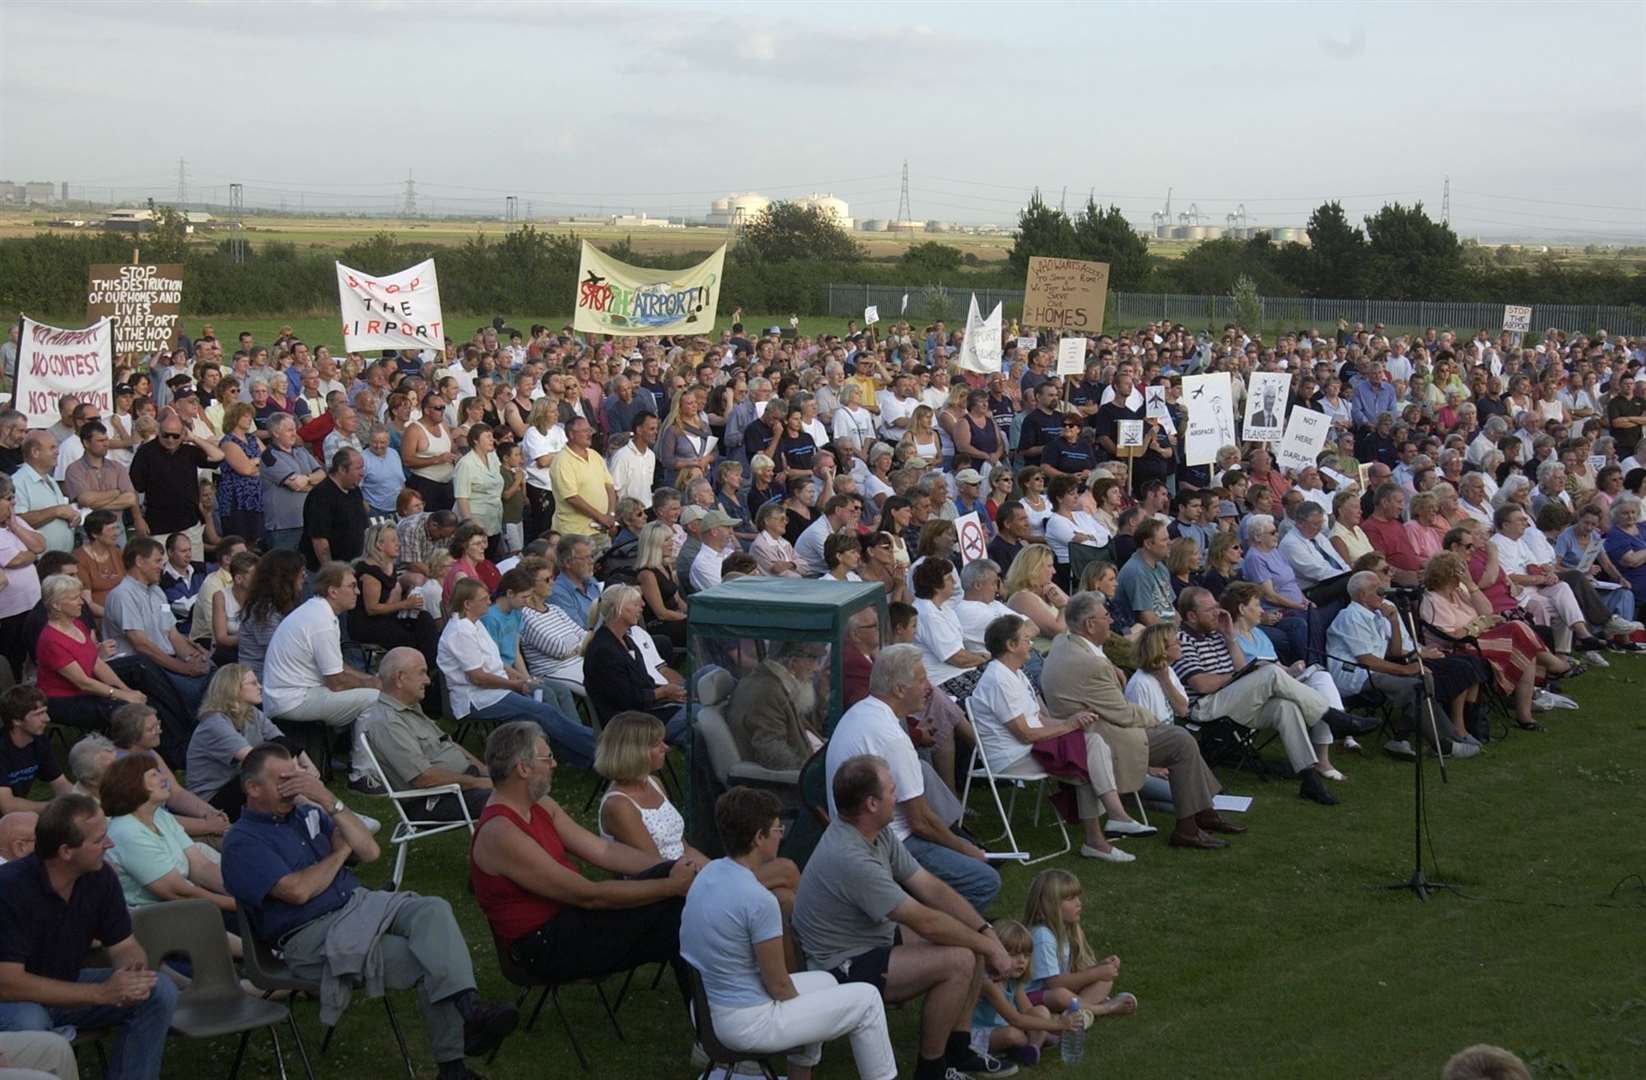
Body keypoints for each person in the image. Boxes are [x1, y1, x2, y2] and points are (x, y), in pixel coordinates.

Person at [222, 744, 518, 1080]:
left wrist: (327, 800)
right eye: (283, 780)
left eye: (297, 777)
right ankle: (453, 1066)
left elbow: (370, 850)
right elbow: (298, 891)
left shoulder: (306, 814)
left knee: (433, 909)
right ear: (252, 788)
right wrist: (338, 855)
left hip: (359, 906)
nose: (295, 786)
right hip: (311, 937)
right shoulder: (242, 842)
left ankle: (471, 1010)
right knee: (425, 958)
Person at [792, 754, 1018, 1080]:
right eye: (891, 790)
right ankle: (932, 1071)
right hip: (839, 964)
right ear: (871, 803)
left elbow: (929, 887)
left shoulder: (875, 832)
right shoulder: (851, 856)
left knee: (971, 939)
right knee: (960, 959)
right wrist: (987, 945)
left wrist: (984, 930)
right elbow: (924, 921)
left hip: (868, 939)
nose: (897, 796)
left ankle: (958, 1050)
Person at [468, 721, 697, 1025]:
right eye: (547, 758)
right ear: (523, 769)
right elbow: (588, 895)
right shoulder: (501, 833)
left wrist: (671, 869)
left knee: (685, 901)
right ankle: (716, 1033)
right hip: (543, 946)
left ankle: (716, 1025)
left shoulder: (540, 806)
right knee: (681, 916)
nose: (555, 764)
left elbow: (602, 851)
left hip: (570, 923)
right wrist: (670, 886)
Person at [681, 786, 895, 1080]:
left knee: (826, 981)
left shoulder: (709, 874)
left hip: (707, 1009)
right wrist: (813, 1015)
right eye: (776, 828)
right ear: (758, 837)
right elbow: (779, 986)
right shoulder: (758, 900)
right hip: (744, 1023)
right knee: (868, 999)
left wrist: (814, 1014)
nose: (780, 834)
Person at [0, 794, 180, 1080]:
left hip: (66, 984)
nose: (109, 845)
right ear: (66, 852)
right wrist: (101, 993)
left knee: (158, 992)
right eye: (99, 840)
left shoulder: (99, 877)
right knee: (30, 1019)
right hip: (12, 1000)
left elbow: (124, 944)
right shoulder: (10, 888)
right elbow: (8, 983)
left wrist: (130, 972)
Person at [1043, 593, 1242, 849]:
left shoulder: (1064, 643)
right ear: (1090, 625)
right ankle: (1190, 826)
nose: (1112, 620)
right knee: (1180, 740)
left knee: (1181, 739)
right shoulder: (1091, 664)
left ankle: (1202, 815)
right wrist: (1154, 719)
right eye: (1106, 616)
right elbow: (1123, 714)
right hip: (1102, 736)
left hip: (1086, 729)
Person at [826, 644, 1001, 914]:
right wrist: (965, 849)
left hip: (857, 835)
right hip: (885, 843)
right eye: (921, 680)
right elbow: (920, 823)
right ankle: (944, 938)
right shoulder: (892, 737)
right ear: (898, 689)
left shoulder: (861, 713)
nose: (928, 687)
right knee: (985, 880)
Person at [1172, 587, 1378, 805]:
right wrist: (1238, 677)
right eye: (1210, 609)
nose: (1218, 612)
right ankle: (1335, 718)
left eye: (1216, 606)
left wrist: (1231, 639)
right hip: (1204, 708)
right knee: (1270, 672)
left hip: (1231, 703)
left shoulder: (1217, 634)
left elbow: (1241, 667)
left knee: (1285, 707)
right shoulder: (1183, 640)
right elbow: (1201, 684)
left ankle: (1310, 780)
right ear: (1192, 616)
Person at [968, 614, 1141, 862]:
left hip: (1028, 749)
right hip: (1012, 757)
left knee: (1090, 745)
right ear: (1011, 645)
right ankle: (1108, 827)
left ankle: (1108, 827)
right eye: (1026, 640)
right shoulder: (998, 679)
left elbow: (1038, 721)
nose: (1031, 644)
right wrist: (1068, 725)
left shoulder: (1016, 674)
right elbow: (1025, 734)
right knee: (1088, 753)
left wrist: (1072, 723)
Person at [437, 578, 595, 769]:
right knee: (542, 711)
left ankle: (585, 755)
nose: (489, 601)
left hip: (495, 689)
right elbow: (477, 677)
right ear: (468, 604)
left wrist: (523, 678)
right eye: (484, 598)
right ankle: (595, 751)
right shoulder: (460, 632)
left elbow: (496, 664)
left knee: (546, 704)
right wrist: (516, 685)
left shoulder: (474, 624)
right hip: (477, 699)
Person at [1326, 571, 1484, 756]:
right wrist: (1406, 669)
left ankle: (1401, 738)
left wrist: (1393, 622)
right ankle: (1444, 744)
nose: (1383, 592)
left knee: (1426, 678)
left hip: (1372, 670)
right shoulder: (1351, 616)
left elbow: (1393, 652)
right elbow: (1367, 660)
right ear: (1362, 596)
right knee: (1413, 686)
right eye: (1378, 590)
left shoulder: (1376, 614)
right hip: (1354, 675)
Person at [1420, 551, 1569, 734]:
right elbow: (1453, 635)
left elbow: (1487, 610)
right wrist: (1481, 624)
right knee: (1516, 628)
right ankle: (1555, 666)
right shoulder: (1433, 600)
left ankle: (1525, 715)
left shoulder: (1458, 592)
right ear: (1451, 573)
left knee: (1523, 646)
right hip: (1457, 647)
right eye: (1462, 570)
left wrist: (1471, 585)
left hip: (1478, 639)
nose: (1466, 573)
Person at [261, 562, 381, 787]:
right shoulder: (321, 621)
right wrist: (373, 686)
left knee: (371, 690)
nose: (357, 591)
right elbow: (336, 682)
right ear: (333, 591)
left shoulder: (319, 611)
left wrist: (369, 679)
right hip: (292, 700)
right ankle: (362, 776)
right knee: (374, 699)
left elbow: (337, 666)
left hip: (293, 694)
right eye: (352, 585)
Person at [102, 537, 212, 754]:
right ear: (139, 562)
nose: (162, 565)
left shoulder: (157, 591)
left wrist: (193, 658)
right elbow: (141, 645)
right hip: (142, 668)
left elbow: (171, 633)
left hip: (166, 660)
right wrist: (183, 668)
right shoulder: (123, 595)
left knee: (213, 674)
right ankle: (190, 744)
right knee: (191, 689)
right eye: (158, 560)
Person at [363, 647, 492, 821]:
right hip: (436, 799)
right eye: (422, 673)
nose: (428, 680)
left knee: (524, 778)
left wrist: (486, 772)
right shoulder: (387, 722)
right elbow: (424, 778)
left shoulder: (410, 708)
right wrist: (479, 783)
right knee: (514, 798)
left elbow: (449, 744)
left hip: (462, 785)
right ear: (400, 678)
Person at [100, 752, 235, 914]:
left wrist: (245, 893)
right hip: (153, 921)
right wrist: (236, 905)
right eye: (154, 774)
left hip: (186, 907)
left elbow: (201, 866)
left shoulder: (160, 816)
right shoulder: (126, 831)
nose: (165, 779)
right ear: (133, 784)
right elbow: (177, 892)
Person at [185, 664, 316, 819]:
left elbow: (281, 740)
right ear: (233, 688)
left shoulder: (251, 713)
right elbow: (254, 760)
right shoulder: (215, 724)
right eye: (253, 683)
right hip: (212, 800)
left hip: (239, 783)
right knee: (266, 776)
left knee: (274, 767)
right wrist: (297, 774)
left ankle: (312, 810)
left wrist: (308, 764)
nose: (259, 686)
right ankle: (312, 810)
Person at [1021, 868, 1136, 1021]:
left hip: (1054, 994)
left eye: (1077, 897)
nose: (1079, 903)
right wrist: (1095, 973)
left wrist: (1099, 968)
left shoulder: (1062, 932)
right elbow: (1054, 983)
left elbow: (1067, 976)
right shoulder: (1042, 935)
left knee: (1104, 981)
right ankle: (1105, 1008)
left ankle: (1072, 1015)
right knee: (1061, 994)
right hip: (1030, 999)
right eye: (1070, 899)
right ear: (1049, 906)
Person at [36, 574, 146, 734]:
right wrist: (122, 695)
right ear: (57, 605)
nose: (81, 602)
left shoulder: (78, 625)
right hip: (63, 700)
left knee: (142, 671)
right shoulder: (51, 640)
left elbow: (97, 663)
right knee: (127, 713)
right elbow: (83, 682)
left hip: (86, 689)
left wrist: (127, 691)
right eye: (75, 598)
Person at [580, 585, 689, 738]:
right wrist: (663, 691)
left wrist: (666, 692)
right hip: (630, 723)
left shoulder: (626, 641)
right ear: (618, 609)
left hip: (647, 710)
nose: (643, 606)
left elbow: (643, 683)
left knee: (698, 731)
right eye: (635, 604)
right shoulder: (604, 651)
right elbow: (627, 699)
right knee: (701, 716)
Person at [129, 414, 225, 553]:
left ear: (183, 434)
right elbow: (132, 487)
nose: (170, 439)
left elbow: (219, 456)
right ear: (158, 432)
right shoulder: (145, 453)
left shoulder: (189, 450)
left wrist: (193, 438)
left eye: (175, 436)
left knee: (194, 569)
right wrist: (137, 518)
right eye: (165, 435)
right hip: (158, 526)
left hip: (190, 524)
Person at [258, 413, 325, 551]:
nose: (294, 434)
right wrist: (313, 482)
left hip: (308, 522)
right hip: (284, 528)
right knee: (284, 570)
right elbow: (296, 485)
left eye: (294, 429)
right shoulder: (269, 457)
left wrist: (306, 478)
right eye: (289, 430)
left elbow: (322, 474)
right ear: (276, 433)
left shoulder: (302, 451)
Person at [0, 688, 72, 815]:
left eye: (45, 712)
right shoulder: (3, 749)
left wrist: (78, 803)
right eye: (38, 714)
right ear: (16, 720)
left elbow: (60, 783)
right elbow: (7, 806)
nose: (47, 719)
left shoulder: (39, 742)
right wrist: (55, 807)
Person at [549, 416, 617, 549]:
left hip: (601, 529)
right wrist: (601, 517)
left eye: (590, 429)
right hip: (577, 533)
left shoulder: (594, 455)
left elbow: (609, 485)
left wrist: (611, 514)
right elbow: (572, 498)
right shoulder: (562, 461)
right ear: (571, 435)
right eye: (585, 430)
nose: (590, 433)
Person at [301, 449, 371, 571]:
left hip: (353, 566)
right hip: (327, 571)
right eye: (358, 468)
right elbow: (319, 539)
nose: (362, 473)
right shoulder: (321, 495)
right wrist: (330, 572)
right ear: (342, 469)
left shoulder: (354, 489)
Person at [400, 391, 458, 512]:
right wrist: (437, 459)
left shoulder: (444, 425)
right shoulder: (414, 429)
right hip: (425, 485)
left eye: (443, 407)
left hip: (447, 484)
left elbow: (453, 448)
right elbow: (407, 460)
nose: (442, 411)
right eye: (438, 408)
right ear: (426, 410)